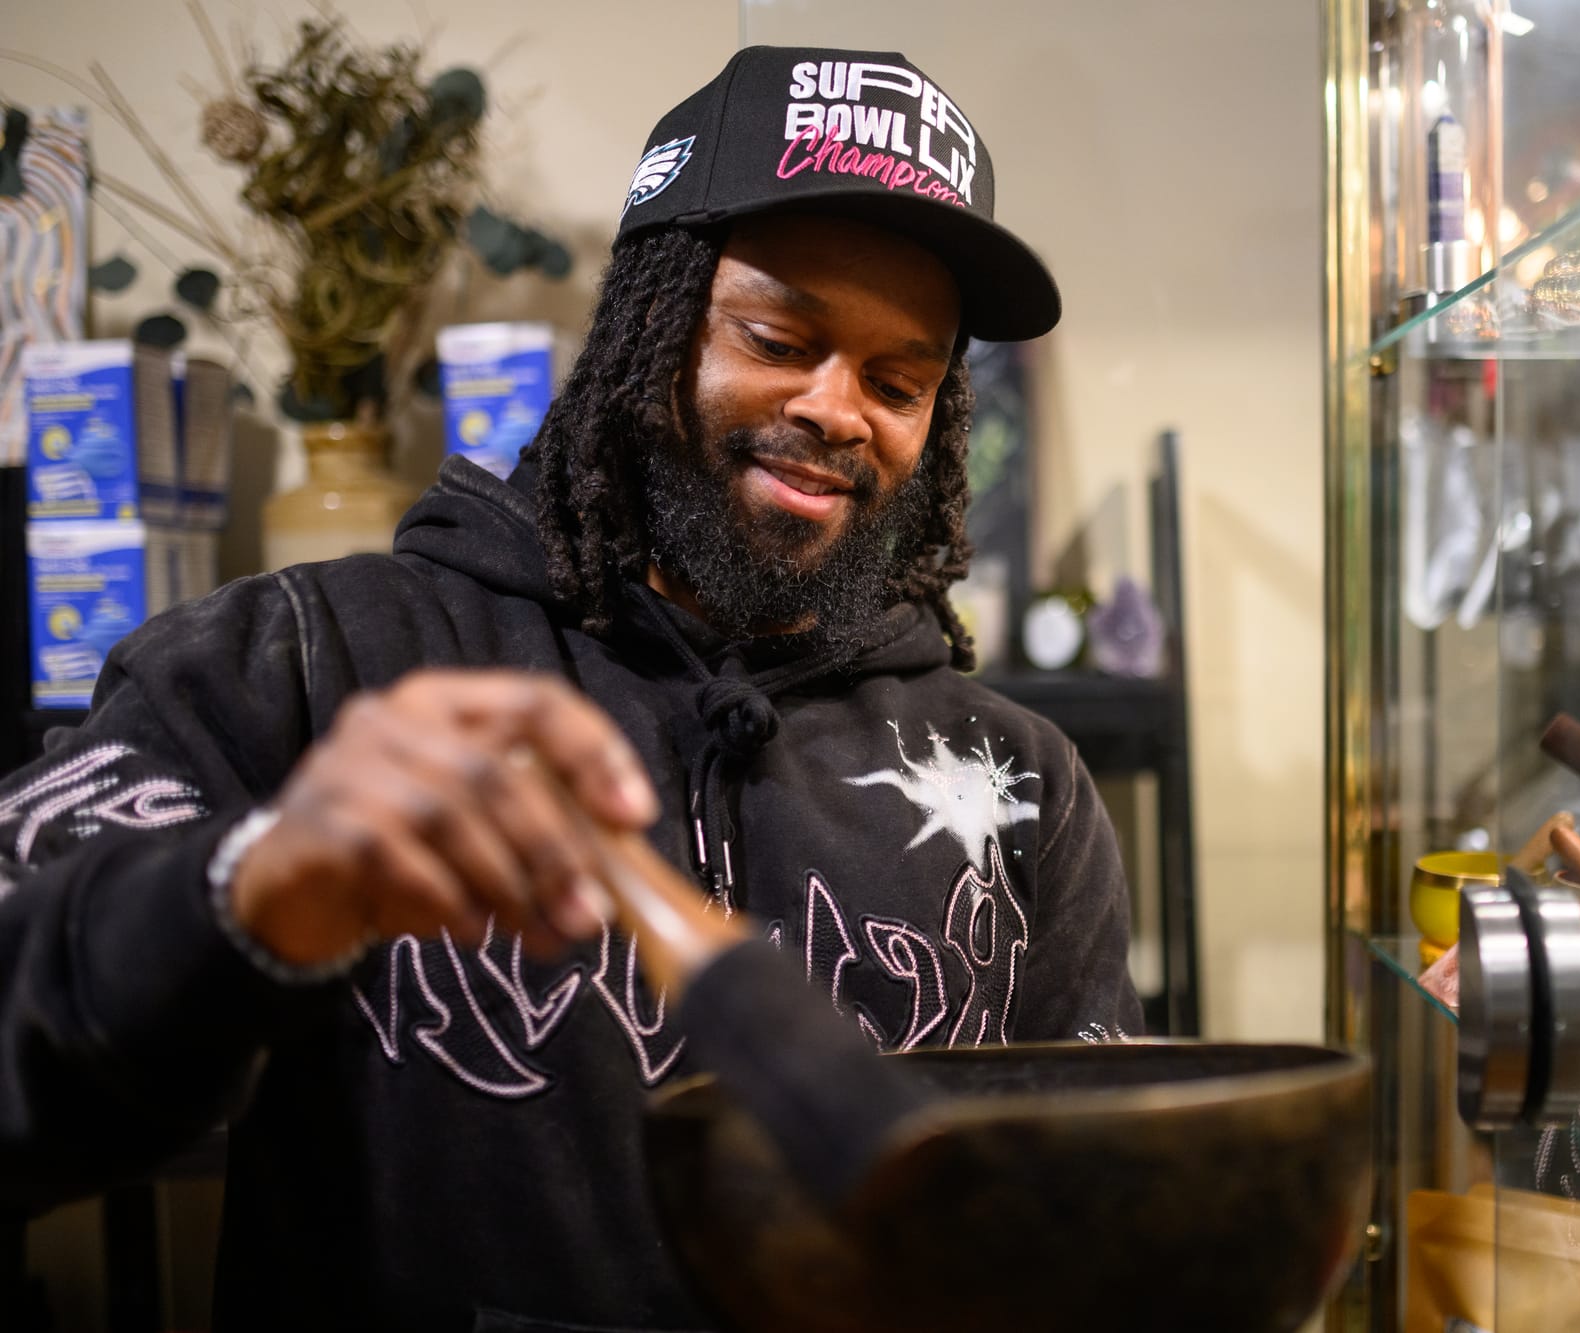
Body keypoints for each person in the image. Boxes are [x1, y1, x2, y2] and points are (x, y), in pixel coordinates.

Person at [0, 45, 1141, 1332]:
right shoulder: (314, 663)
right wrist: (250, 886)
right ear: (647, 323)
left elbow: (1084, 1224)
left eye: (898, 383)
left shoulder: (1020, 784)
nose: (838, 410)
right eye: (779, 339)